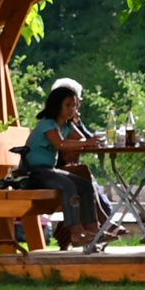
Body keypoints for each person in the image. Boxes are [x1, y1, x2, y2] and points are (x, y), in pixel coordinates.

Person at [25, 85, 103, 248]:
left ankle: (93, 229)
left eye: (74, 105)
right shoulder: (48, 124)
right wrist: (86, 142)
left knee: (85, 185)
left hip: (49, 171)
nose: (71, 109)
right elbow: (60, 144)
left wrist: (79, 127)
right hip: (33, 172)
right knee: (68, 185)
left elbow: (81, 139)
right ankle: (75, 232)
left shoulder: (66, 125)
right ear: (56, 105)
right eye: (68, 105)